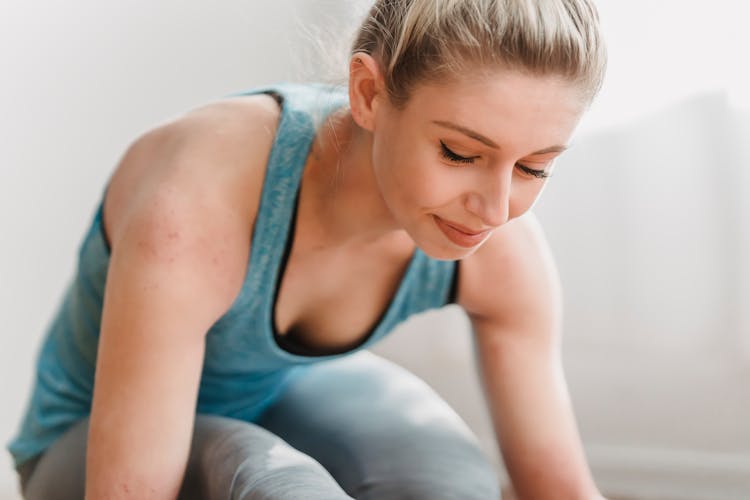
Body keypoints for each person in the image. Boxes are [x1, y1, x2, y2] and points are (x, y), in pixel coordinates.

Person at [7, 0, 608, 498]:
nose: (495, 209)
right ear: (369, 93)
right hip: (85, 452)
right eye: (459, 154)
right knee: (284, 489)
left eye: (534, 167)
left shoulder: (502, 249)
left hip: (274, 395)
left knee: (448, 482)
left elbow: (558, 489)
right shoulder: (198, 201)